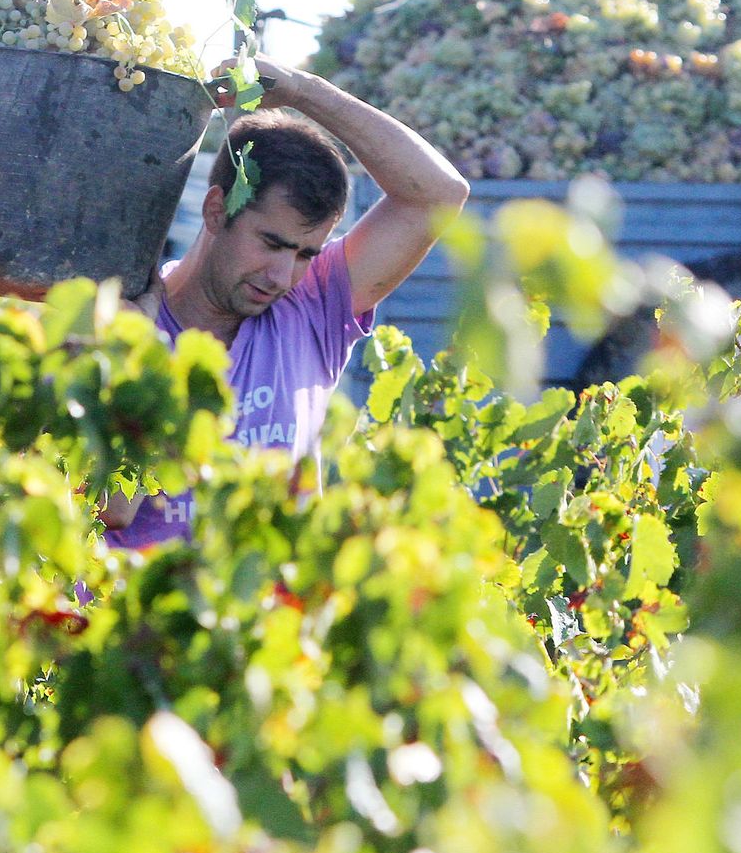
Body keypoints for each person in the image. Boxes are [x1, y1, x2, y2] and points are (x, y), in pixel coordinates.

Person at [104, 55, 470, 548]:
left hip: (274, 622)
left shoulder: (312, 305)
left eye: (305, 253)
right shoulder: (121, 323)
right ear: (217, 210)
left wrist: (304, 90)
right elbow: (110, 510)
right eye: (272, 243)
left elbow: (438, 196)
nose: (282, 276)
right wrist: (135, 357)